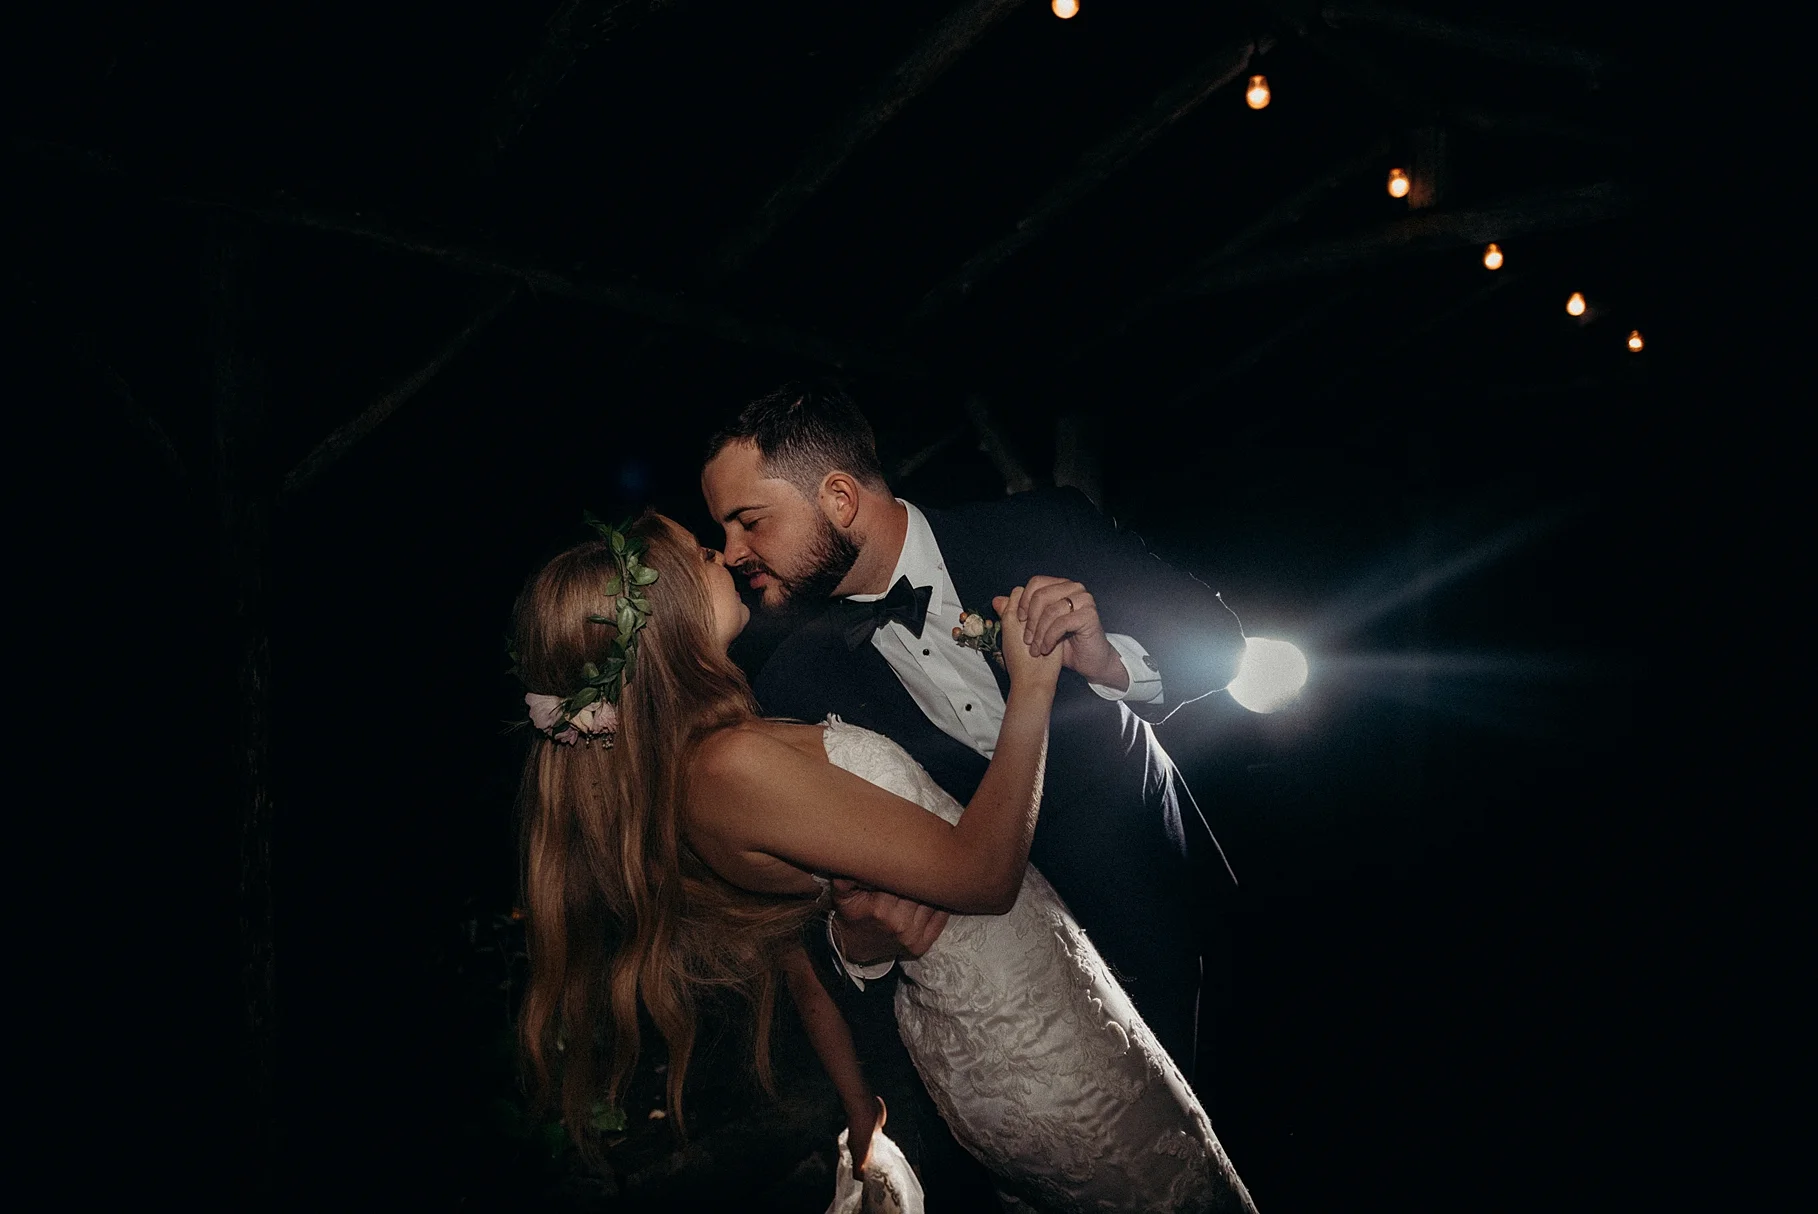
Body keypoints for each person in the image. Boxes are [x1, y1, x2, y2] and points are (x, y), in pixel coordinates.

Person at [510, 512, 1258, 1212]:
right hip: (1026, 1038)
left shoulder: (717, 753)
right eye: (704, 553)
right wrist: (1032, 685)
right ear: (667, 608)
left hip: (1021, 1000)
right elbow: (984, 874)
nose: (727, 553)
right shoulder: (727, 765)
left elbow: (805, 945)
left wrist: (855, 952)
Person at [700, 385, 1248, 1166]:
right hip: (1018, 1009)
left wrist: (1109, 661)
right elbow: (819, 917)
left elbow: (1221, 645)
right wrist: (857, 936)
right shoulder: (793, 686)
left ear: (840, 497)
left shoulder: (1040, 526)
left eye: (747, 520)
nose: (731, 553)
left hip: (1166, 905)